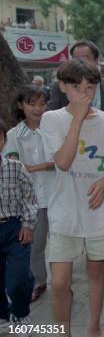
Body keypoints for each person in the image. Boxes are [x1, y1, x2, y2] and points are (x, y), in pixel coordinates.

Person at [40, 59, 104, 337]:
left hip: (99, 212)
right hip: (64, 211)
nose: (84, 92)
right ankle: (63, 334)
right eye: (76, 87)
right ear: (63, 86)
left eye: (90, 86)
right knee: (59, 282)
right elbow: (62, 161)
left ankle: (94, 326)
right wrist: (78, 118)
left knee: (96, 272)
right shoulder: (52, 119)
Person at [4, 85, 54, 304]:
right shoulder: (13, 135)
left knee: (62, 243)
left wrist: (34, 167)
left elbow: (63, 161)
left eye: (42, 103)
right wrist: (45, 165)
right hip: (31, 199)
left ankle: (62, 282)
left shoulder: (54, 129)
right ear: (20, 105)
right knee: (35, 246)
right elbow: (13, 166)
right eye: (31, 104)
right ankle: (38, 282)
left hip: (58, 195)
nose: (37, 109)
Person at [0, 118, 38, 337]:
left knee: (18, 277)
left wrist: (28, 224)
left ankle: (21, 312)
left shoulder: (15, 167)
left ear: (4, 140)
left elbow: (30, 198)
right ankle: (3, 315)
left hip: (15, 228)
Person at [48, 40, 104, 113]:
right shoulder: (59, 86)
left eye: (86, 58)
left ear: (96, 60)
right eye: (76, 59)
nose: (81, 62)